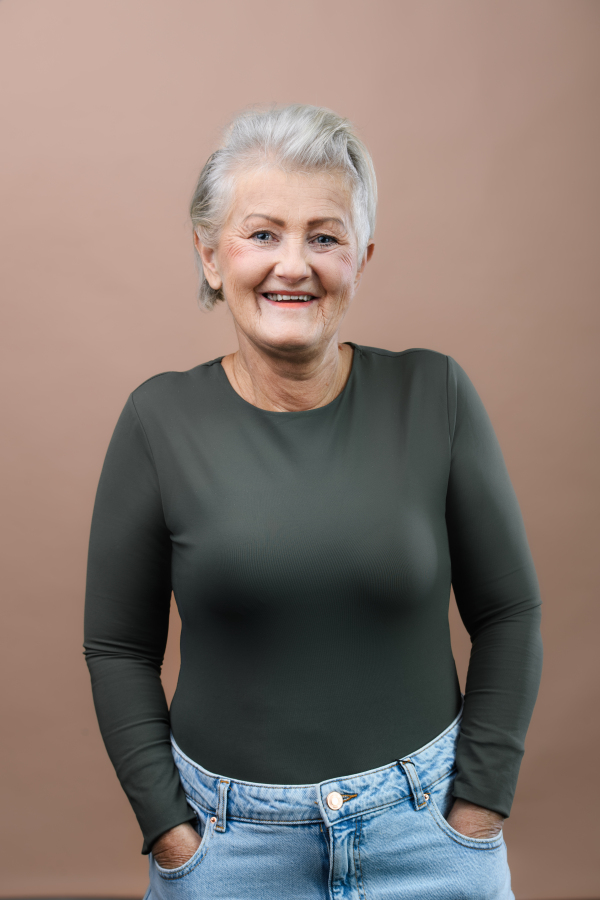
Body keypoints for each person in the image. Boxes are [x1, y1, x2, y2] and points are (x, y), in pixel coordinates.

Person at [84, 104, 542, 899]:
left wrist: (478, 809)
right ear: (209, 254)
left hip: (428, 837)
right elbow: (119, 650)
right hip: (229, 854)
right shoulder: (157, 420)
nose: (293, 264)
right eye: (262, 234)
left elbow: (510, 613)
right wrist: (170, 833)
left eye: (324, 237)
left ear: (361, 257)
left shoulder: (434, 393)